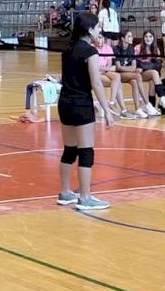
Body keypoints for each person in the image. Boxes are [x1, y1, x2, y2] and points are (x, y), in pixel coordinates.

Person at [56, 12, 117, 211]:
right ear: (89, 30)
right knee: (86, 151)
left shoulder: (68, 50)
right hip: (81, 105)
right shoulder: (90, 52)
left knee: (70, 149)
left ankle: (65, 192)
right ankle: (85, 197)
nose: (100, 30)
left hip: (64, 104)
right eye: (97, 27)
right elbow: (96, 84)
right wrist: (107, 110)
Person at [113, 30, 157, 118]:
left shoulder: (131, 48)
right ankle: (147, 103)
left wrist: (128, 69)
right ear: (123, 38)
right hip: (118, 74)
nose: (131, 38)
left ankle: (138, 109)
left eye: (131, 36)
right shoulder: (116, 49)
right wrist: (129, 69)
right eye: (129, 36)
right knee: (137, 76)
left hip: (128, 73)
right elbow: (118, 68)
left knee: (134, 82)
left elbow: (134, 66)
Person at [134, 30, 164, 108]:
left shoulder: (156, 49)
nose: (148, 38)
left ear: (153, 38)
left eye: (150, 36)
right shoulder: (138, 48)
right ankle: (162, 97)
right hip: (139, 73)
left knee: (152, 81)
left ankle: (152, 106)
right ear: (143, 38)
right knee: (154, 73)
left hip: (149, 72)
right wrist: (148, 66)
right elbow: (134, 63)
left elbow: (158, 65)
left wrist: (144, 66)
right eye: (146, 36)